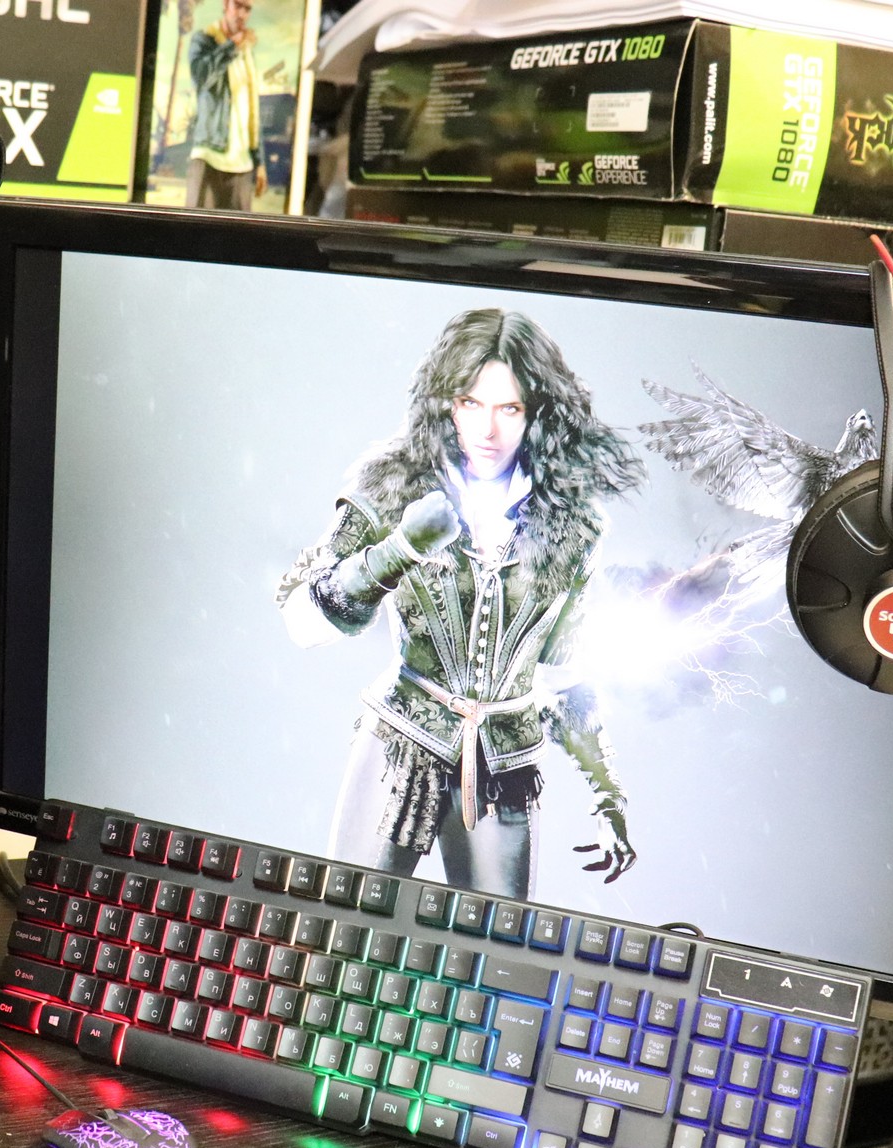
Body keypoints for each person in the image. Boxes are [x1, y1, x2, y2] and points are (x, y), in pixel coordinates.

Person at [275, 308, 642, 898]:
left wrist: (608, 794)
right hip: (400, 742)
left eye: (509, 408)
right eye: (471, 403)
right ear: (446, 403)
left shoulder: (574, 526)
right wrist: (396, 551)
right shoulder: (393, 484)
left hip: (505, 766)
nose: (487, 430)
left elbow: (564, 673)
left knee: (495, 946)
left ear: (537, 412)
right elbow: (301, 618)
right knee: (344, 925)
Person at [184, 0, 265, 211]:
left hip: (242, 164)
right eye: (238, 5)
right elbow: (200, 77)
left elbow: (252, 108)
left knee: (240, 232)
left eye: (247, 9)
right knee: (194, 228)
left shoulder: (247, 52)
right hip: (209, 155)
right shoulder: (205, 39)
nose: (242, 13)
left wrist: (259, 162)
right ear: (226, 5)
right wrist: (231, 46)